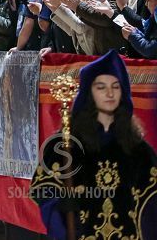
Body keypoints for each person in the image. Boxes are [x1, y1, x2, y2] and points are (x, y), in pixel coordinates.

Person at [30, 50, 157, 239]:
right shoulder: (67, 144)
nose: (109, 93)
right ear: (89, 93)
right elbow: (43, 188)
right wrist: (60, 206)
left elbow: (152, 201)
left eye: (116, 86)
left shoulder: (138, 149)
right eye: (101, 87)